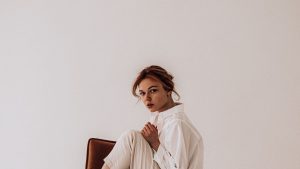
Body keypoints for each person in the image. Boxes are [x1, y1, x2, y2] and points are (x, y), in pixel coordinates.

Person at [102, 65, 203, 169]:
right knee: (132, 138)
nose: (147, 98)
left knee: (132, 137)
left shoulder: (177, 123)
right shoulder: (159, 118)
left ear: (168, 90)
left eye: (153, 90)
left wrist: (155, 143)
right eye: (142, 93)